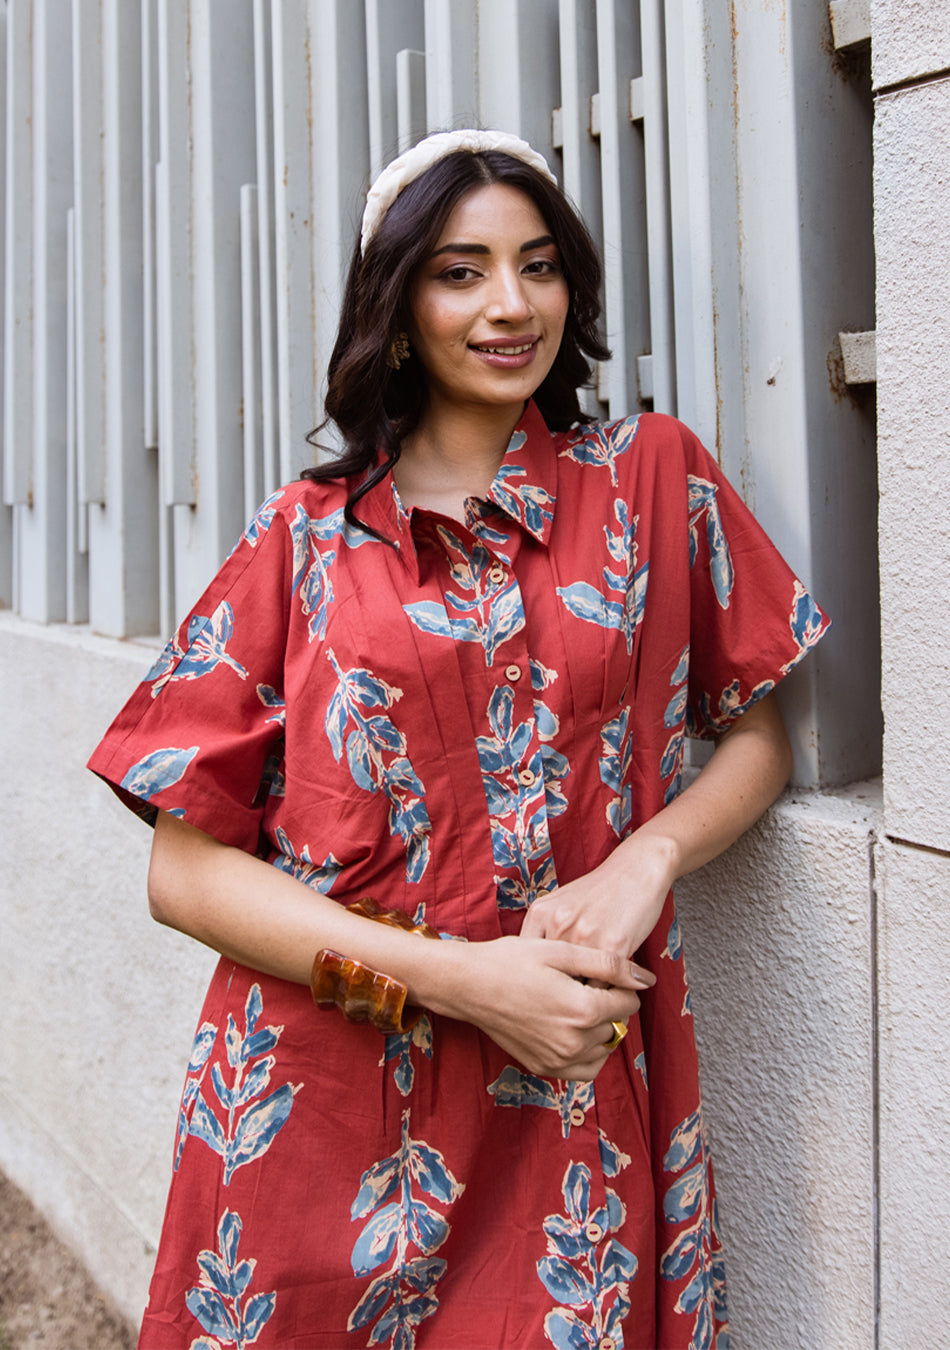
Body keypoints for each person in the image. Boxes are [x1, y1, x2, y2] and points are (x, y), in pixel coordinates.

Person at [89, 128, 829, 1349]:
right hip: (317, 1103)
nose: (508, 304)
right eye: (459, 270)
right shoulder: (303, 539)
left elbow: (755, 737)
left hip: (563, 1099)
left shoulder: (647, 475)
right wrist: (467, 983)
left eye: (537, 266)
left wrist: (643, 860)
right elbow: (181, 870)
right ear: (395, 305)